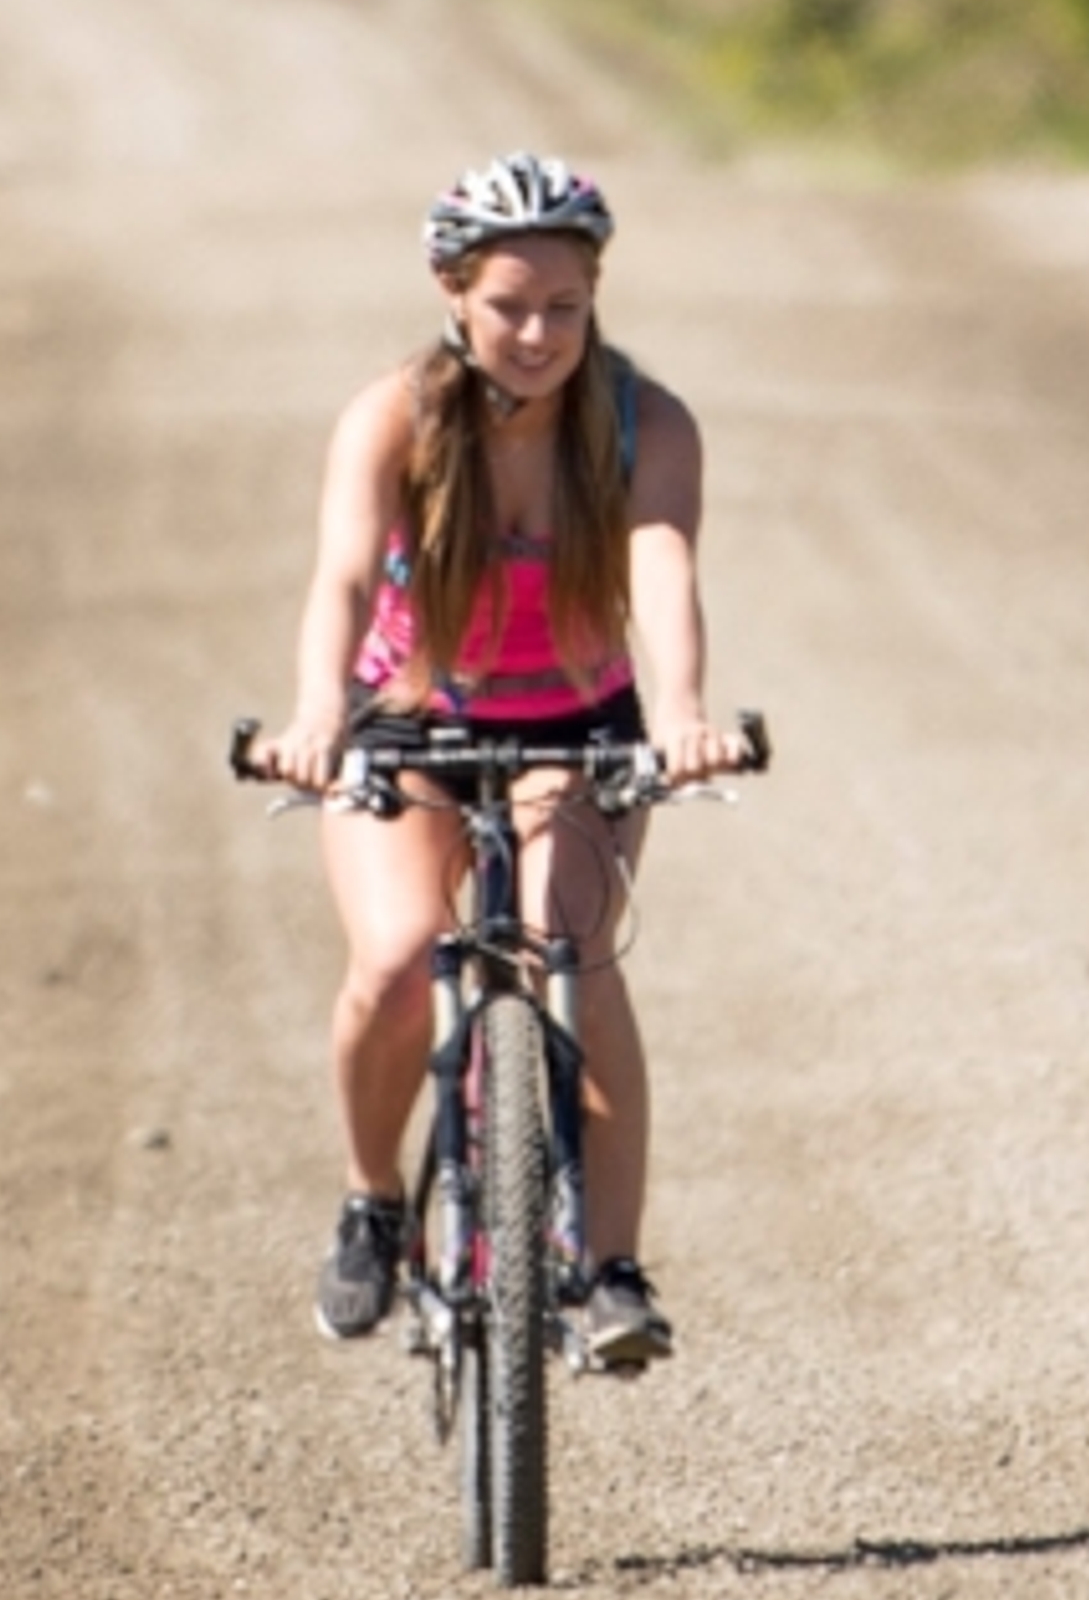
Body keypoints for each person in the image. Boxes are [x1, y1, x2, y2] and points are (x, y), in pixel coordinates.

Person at [247, 150, 754, 1369]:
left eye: (566, 306)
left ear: (596, 298)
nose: (538, 332)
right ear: (451, 289)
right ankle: (375, 1200)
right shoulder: (397, 416)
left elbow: (661, 564)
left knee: (569, 944)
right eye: (510, 304)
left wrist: (684, 710)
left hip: (576, 724)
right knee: (398, 954)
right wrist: (315, 711)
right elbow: (345, 576)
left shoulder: (647, 421)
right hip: (412, 719)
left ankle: (611, 1269)